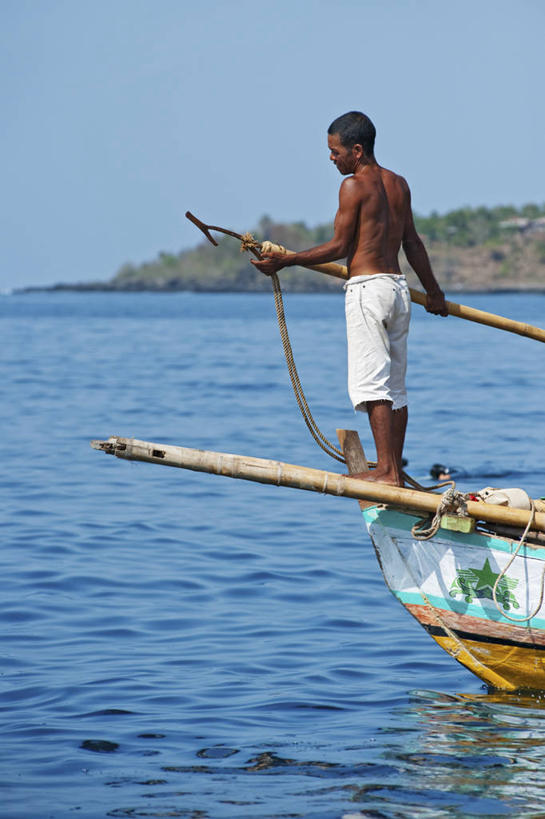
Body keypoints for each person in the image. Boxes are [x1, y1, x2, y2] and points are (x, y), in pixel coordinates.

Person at [251, 111, 447, 486]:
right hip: (398, 290)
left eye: (335, 151)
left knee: (373, 385)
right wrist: (434, 292)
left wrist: (287, 260)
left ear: (357, 151)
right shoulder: (399, 184)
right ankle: (394, 470)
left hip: (368, 291)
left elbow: (340, 246)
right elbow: (413, 244)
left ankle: (387, 472)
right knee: (396, 387)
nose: (331, 158)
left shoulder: (353, 187)